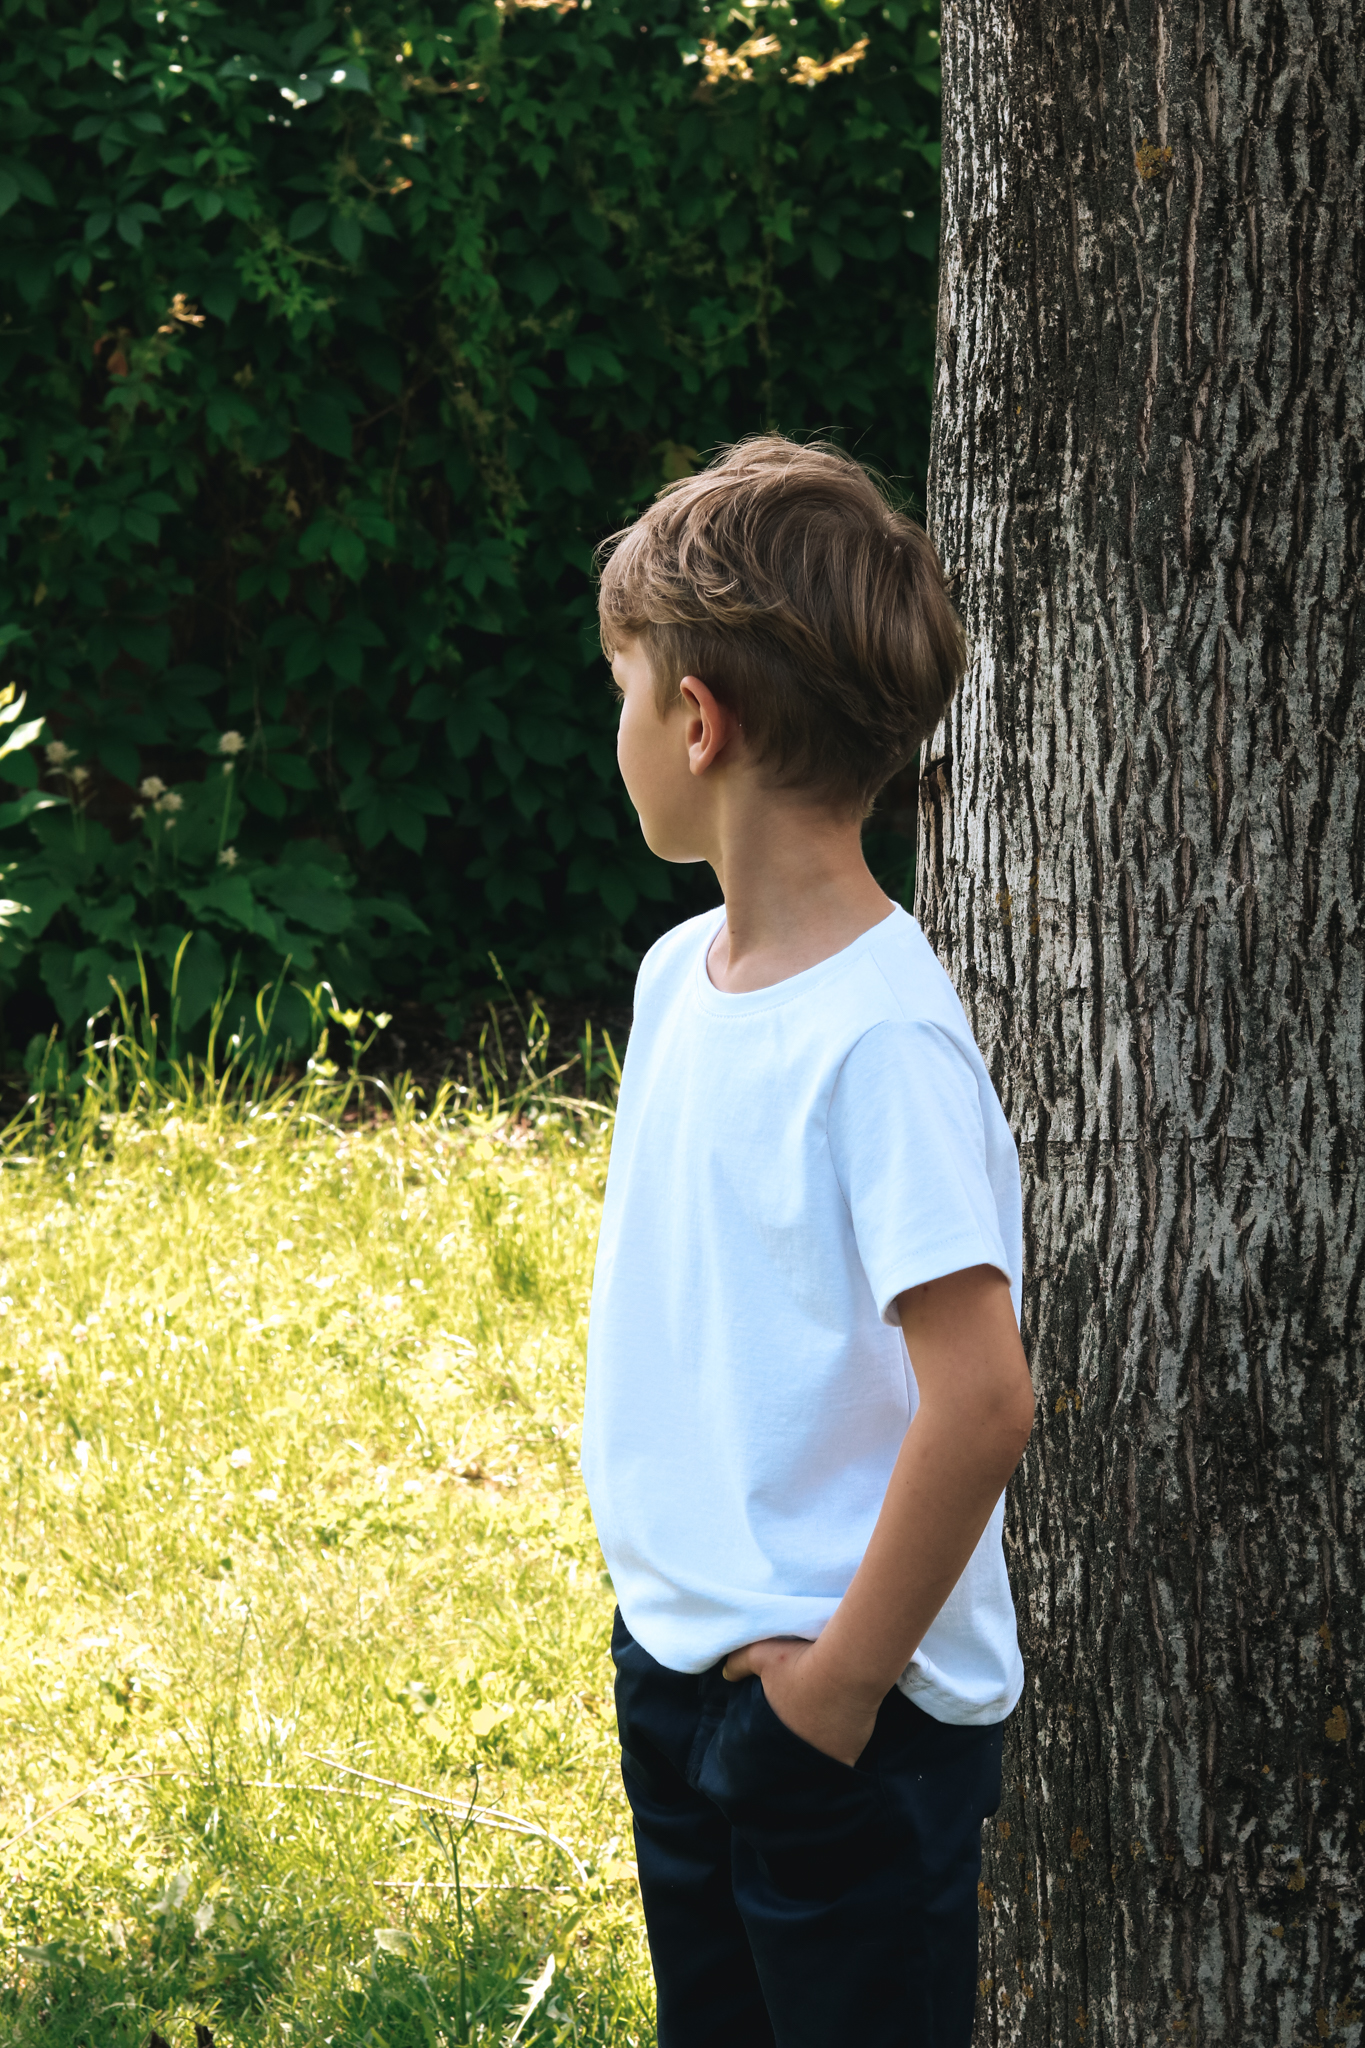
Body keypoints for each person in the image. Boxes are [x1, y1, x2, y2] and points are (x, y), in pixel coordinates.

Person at [581, 435, 1035, 2048]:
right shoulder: (672, 982)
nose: (617, 728)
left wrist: (833, 1695)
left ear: (696, 723)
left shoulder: (880, 1044)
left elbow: (981, 1400)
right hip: (685, 1680)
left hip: (849, 1732)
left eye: (624, 691)